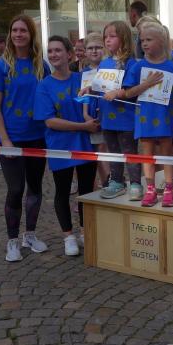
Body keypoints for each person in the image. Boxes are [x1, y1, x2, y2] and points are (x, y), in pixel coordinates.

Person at [0, 15, 51, 263]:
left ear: (31, 34)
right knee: (15, 189)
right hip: (12, 138)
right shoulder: (1, 66)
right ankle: (12, 240)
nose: (18, 34)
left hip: (37, 137)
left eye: (23, 30)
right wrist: (5, 140)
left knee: (35, 188)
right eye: (14, 30)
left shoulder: (41, 65)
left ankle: (30, 235)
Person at [34, 36, 99, 256]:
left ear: (69, 54)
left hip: (85, 144)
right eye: (50, 51)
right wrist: (82, 126)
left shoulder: (83, 79)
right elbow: (49, 121)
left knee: (86, 190)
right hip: (60, 145)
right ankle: (68, 236)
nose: (53, 54)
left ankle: (84, 231)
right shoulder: (44, 86)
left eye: (58, 50)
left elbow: (94, 103)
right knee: (62, 190)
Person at [110, 21, 173, 207]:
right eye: (142, 40)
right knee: (147, 154)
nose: (144, 44)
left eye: (149, 40)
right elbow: (128, 93)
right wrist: (146, 84)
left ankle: (169, 188)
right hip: (145, 117)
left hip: (165, 117)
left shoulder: (172, 67)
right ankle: (150, 189)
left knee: (166, 152)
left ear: (161, 41)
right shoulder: (138, 66)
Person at [95, 21, 143, 200]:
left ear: (123, 38)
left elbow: (131, 90)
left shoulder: (131, 64)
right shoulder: (104, 63)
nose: (107, 40)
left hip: (126, 118)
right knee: (113, 151)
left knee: (130, 151)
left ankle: (136, 183)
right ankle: (116, 181)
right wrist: (88, 89)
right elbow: (99, 86)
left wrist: (118, 93)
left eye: (112, 36)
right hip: (107, 118)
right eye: (105, 37)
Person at [80, 32, 110, 188]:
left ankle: (109, 181)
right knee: (97, 150)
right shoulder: (84, 72)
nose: (94, 51)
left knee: (104, 149)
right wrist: (85, 114)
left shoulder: (109, 68)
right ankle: (103, 182)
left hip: (107, 114)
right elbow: (83, 96)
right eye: (90, 48)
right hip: (91, 116)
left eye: (98, 47)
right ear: (85, 51)